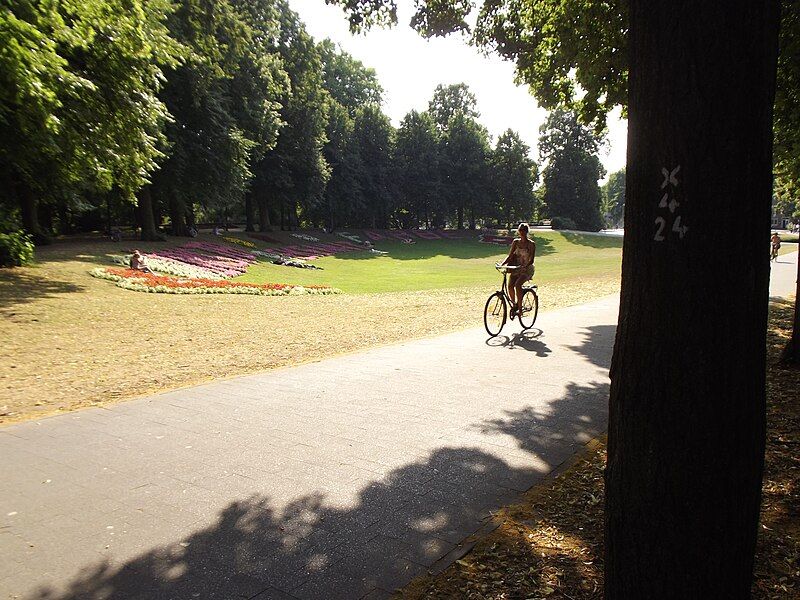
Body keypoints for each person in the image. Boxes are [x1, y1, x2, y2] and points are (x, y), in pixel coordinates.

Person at [501, 222, 536, 317]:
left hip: (526, 269)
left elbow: (531, 260)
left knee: (517, 285)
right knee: (510, 286)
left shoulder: (531, 244)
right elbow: (510, 256)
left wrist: (525, 266)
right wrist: (502, 264)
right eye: (520, 230)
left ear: (526, 232)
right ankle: (514, 304)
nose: (521, 233)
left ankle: (520, 309)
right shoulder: (516, 242)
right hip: (516, 268)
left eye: (523, 231)